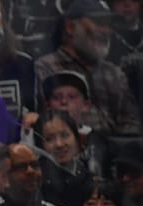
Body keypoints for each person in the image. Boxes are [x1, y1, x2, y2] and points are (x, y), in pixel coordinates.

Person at [34, 0, 141, 135]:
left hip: (118, 153)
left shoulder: (114, 74)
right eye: (99, 22)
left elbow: (131, 124)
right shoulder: (46, 69)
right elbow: (50, 124)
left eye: (108, 24)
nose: (106, 31)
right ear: (70, 27)